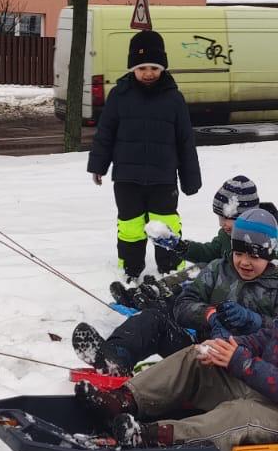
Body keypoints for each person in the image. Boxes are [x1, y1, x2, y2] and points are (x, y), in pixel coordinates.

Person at [77, 247, 278, 451]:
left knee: (241, 416)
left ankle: (153, 436)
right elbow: (267, 337)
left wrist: (242, 362)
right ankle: (125, 399)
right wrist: (229, 347)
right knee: (197, 357)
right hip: (259, 387)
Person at [76, 208, 278, 376]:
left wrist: (253, 321)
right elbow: (183, 305)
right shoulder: (218, 270)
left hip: (244, 367)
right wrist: (209, 315)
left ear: (270, 254)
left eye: (254, 256)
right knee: (153, 319)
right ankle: (115, 358)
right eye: (239, 254)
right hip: (201, 352)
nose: (244, 262)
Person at [86, 29, 203, 287]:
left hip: (163, 178)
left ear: (163, 67)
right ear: (132, 68)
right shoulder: (119, 95)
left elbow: (185, 140)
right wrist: (98, 165)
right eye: (141, 68)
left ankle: (170, 270)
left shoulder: (174, 98)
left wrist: (190, 178)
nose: (148, 73)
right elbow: (105, 133)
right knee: (130, 226)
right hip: (127, 178)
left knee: (166, 225)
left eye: (154, 68)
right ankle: (130, 270)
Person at [109, 175, 278, 309]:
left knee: (203, 273)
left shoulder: (273, 241)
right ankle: (150, 292)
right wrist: (179, 245)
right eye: (220, 218)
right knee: (202, 267)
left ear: (246, 215)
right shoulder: (229, 234)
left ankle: (162, 298)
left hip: (248, 295)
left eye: (227, 219)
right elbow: (209, 252)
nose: (222, 224)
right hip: (226, 280)